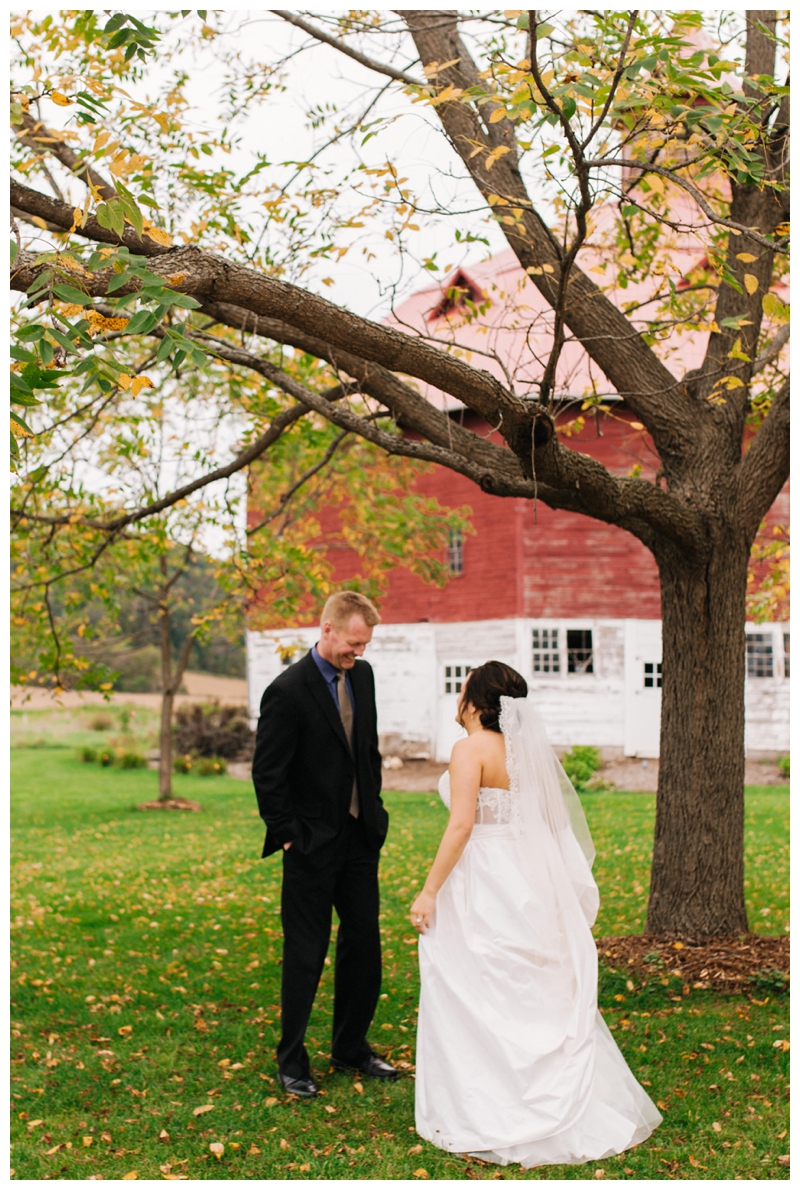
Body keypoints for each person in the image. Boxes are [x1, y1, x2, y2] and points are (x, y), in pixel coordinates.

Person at [410, 660, 661, 1167]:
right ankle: (545, 1098)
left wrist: (429, 891)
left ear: (475, 701)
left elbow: (461, 826)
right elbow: (550, 827)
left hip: (480, 878)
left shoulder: (469, 750)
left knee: (475, 984)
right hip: (524, 878)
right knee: (524, 989)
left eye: (461, 692)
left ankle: (489, 1104)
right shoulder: (526, 754)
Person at [252, 590, 397, 1098]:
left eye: (363, 646)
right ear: (327, 628)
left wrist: (373, 815)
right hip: (311, 845)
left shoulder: (365, 676)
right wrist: (290, 837)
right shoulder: (287, 691)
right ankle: (292, 1060)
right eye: (351, 644)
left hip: (360, 839)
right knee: (306, 952)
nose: (356, 654)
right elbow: (268, 776)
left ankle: (350, 1048)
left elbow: (368, 752)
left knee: (364, 945)